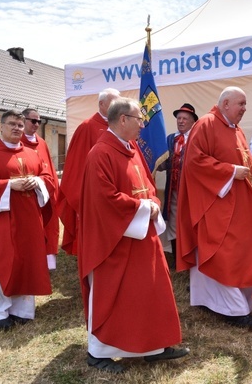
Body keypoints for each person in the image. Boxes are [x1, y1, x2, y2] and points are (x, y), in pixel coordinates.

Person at [79, 97, 188, 374]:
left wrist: (152, 202)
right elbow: (103, 200)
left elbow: (147, 185)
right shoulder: (100, 153)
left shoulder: (132, 148)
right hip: (115, 241)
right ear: (123, 120)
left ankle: (153, 346)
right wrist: (143, 207)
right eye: (139, 119)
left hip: (141, 234)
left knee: (150, 291)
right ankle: (100, 352)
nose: (143, 124)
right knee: (115, 295)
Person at [177, 87, 252, 328]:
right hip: (215, 205)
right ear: (225, 103)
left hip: (236, 206)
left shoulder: (236, 130)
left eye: (245, 104)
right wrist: (231, 172)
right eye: (241, 104)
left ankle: (212, 299)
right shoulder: (206, 125)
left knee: (240, 250)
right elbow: (195, 162)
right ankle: (232, 309)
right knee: (223, 253)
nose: (244, 109)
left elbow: (235, 159)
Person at [0, 110, 56, 330]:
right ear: (1, 126)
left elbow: (48, 177)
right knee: (1, 262)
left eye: (20, 125)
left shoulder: (32, 153)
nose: (17, 128)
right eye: (12, 124)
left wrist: (37, 182)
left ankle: (21, 309)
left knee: (26, 261)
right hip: (3, 219)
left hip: (29, 219)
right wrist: (9, 185)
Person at [58, 88, 120, 255]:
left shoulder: (119, 127)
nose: (118, 106)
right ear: (101, 104)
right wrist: (82, 200)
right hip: (94, 195)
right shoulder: (87, 127)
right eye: (114, 103)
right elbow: (76, 166)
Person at [156, 103, 198, 268]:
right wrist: (153, 162)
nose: (180, 121)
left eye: (184, 118)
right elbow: (163, 164)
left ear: (192, 121)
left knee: (189, 223)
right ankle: (176, 260)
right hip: (173, 189)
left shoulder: (197, 137)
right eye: (178, 118)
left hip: (191, 191)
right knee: (173, 222)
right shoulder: (170, 139)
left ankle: (191, 259)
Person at [21, 108, 60, 270]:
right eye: (33, 121)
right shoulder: (18, 142)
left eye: (39, 121)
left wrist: (53, 189)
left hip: (44, 191)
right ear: (23, 121)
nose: (37, 124)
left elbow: (49, 168)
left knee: (48, 226)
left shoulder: (42, 143)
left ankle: (48, 261)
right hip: (28, 194)